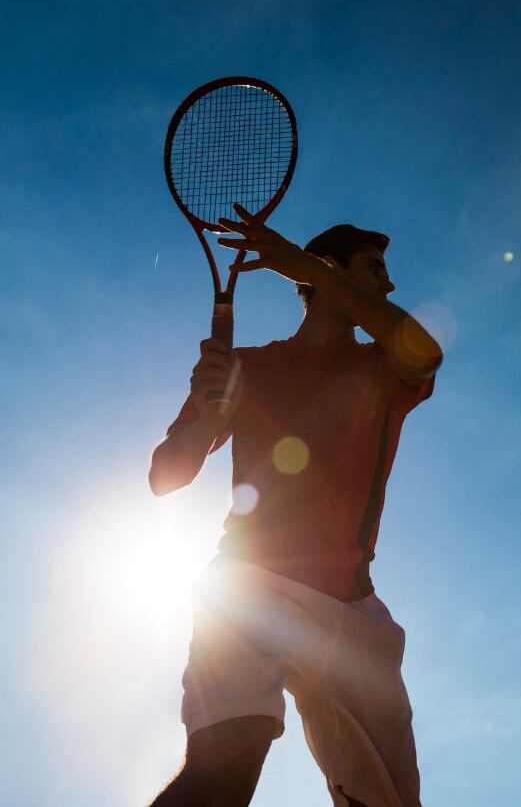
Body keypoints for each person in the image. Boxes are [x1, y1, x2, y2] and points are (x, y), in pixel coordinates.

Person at [147, 206, 442, 807]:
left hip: (352, 607)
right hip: (248, 588)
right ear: (329, 273)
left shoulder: (382, 366)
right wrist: (207, 413)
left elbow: (425, 352)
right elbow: (165, 478)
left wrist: (303, 265)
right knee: (220, 776)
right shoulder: (249, 367)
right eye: (373, 268)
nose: (387, 284)